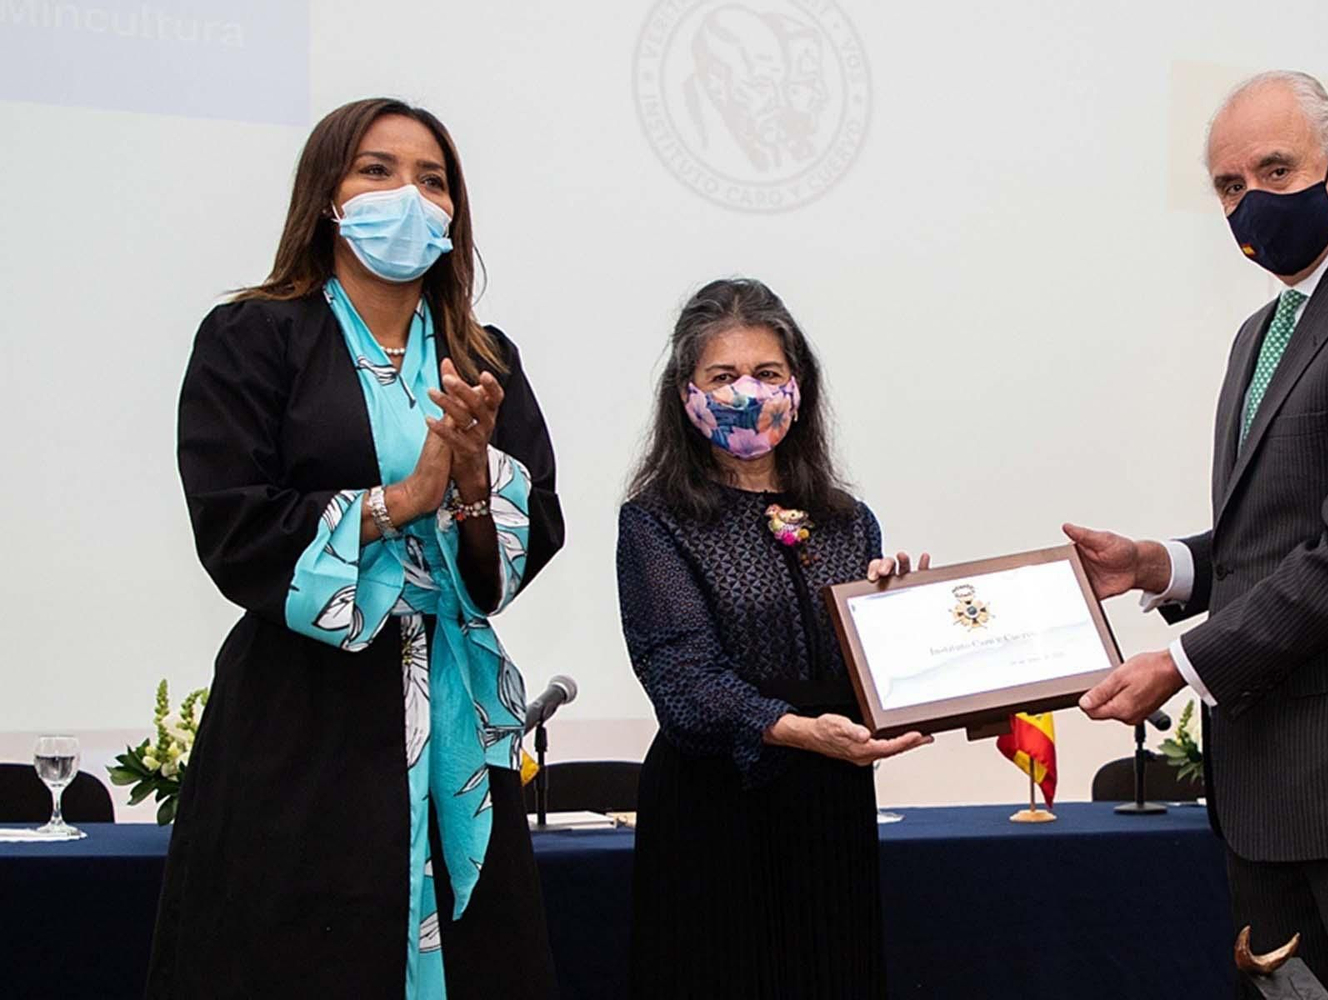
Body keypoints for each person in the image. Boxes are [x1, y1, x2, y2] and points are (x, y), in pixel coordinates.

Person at [1065, 71, 1328, 999]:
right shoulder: (1263, 331)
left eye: (1273, 169)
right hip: (1270, 794)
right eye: (1229, 186)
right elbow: (1275, 542)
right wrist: (1164, 564)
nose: (1250, 202)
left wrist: (1180, 667)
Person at [156, 98, 565, 999]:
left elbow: (534, 532)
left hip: (454, 708)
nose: (407, 196)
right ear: (326, 195)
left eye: (432, 179)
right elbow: (233, 524)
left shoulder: (485, 356)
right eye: (376, 171)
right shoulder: (254, 337)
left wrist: (465, 490)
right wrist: (396, 502)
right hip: (301, 723)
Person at [617, 278, 931, 1000]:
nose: (746, 394)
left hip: (828, 806)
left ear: (799, 385)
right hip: (715, 810)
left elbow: (863, 673)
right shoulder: (656, 520)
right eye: (722, 377)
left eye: (766, 374)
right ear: (685, 393)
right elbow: (683, 681)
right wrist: (795, 730)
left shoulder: (850, 519)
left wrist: (902, 617)